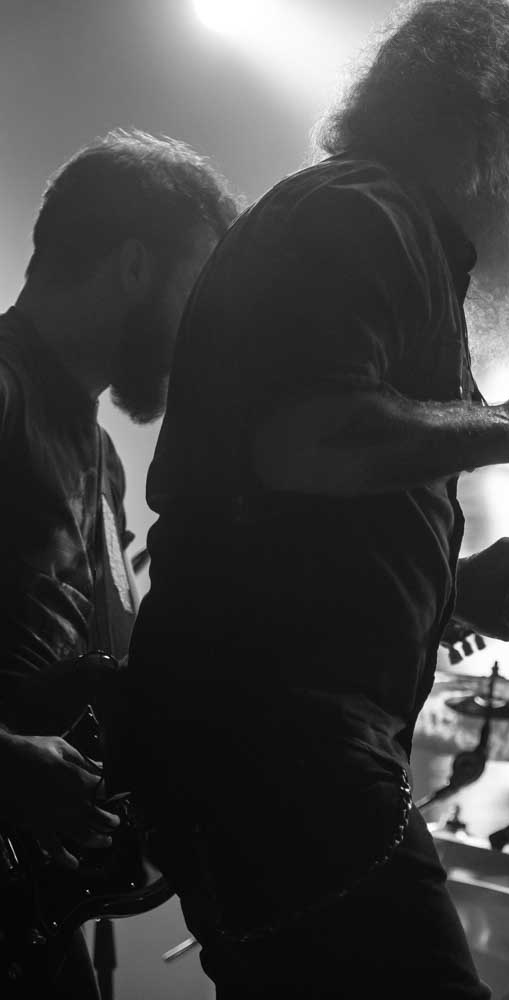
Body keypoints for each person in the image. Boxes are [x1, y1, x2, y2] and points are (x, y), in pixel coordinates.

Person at [120, 2, 509, 997]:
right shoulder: (362, 214)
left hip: (264, 732)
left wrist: (456, 589)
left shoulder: (378, 227)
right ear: (487, 128)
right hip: (279, 737)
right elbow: (311, 437)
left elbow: (303, 516)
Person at [0, 130, 236, 999]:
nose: (203, 329)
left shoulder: (101, 455)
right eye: (197, 291)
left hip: (28, 903)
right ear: (136, 266)